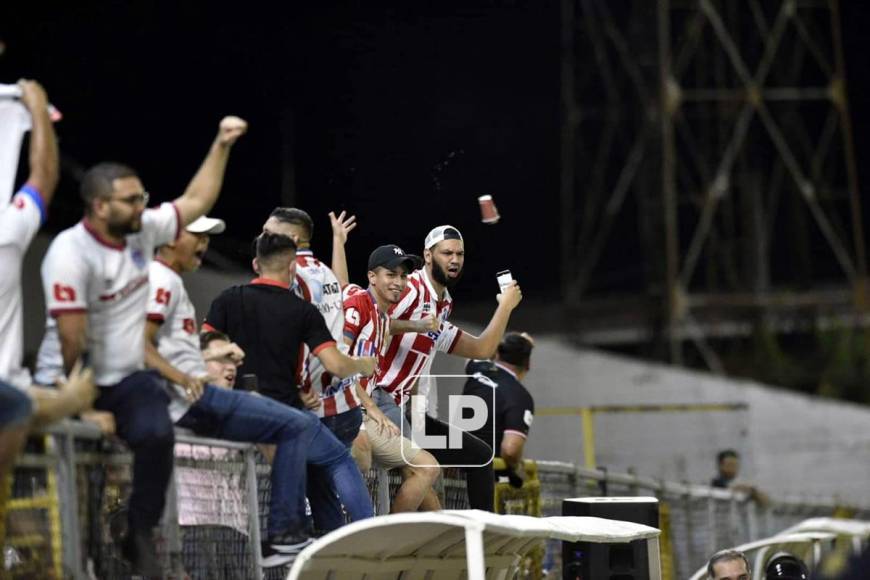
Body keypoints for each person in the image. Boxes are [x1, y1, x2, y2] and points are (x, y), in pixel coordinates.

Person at [38, 115, 247, 575]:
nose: (141, 207)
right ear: (98, 205)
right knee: (75, 474)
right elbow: (72, 341)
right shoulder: (69, 254)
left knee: (157, 428)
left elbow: (195, 200)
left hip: (122, 372)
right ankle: (70, 560)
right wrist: (79, 404)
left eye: (142, 199)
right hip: (68, 373)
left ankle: (138, 532)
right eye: (131, 200)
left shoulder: (142, 231)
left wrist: (221, 143)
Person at [203, 232, 376, 529]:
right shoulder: (302, 311)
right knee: (339, 460)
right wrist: (363, 364)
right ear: (293, 268)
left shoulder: (229, 298)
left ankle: (317, 545)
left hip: (239, 410)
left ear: (257, 263)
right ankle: (369, 536)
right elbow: (334, 364)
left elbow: (207, 348)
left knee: (314, 484)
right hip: (284, 415)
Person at [0, 80, 96, 545]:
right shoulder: (6, 232)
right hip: (12, 399)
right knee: (19, 403)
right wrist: (37, 108)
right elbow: (43, 176)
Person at [376, 224, 523, 511]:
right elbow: (375, 322)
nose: (454, 259)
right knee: (425, 477)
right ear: (428, 256)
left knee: (477, 457)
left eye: (460, 254)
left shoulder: (442, 303)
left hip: (407, 407)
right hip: (380, 401)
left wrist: (504, 308)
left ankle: (470, 537)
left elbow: (482, 349)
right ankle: (392, 545)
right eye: (446, 253)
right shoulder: (412, 287)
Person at [342, 244, 442, 513]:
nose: (399, 282)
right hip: (346, 412)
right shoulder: (357, 303)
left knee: (425, 467)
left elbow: (389, 324)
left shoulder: (383, 318)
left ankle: (391, 536)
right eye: (391, 274)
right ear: (372, 277)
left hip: (361, 411)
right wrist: (372, 408)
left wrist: (419, 325)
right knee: (363, 464)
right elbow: (337, 361)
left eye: (403, 276)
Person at [462, 332, 535, 486]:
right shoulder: (520, 396)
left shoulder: (477, 370)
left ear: (497, 355)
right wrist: (517, 468)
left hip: (458, 472)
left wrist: (502, 341)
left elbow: (478, 348)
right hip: (488, 480)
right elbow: (510, 449)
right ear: (527, 364)